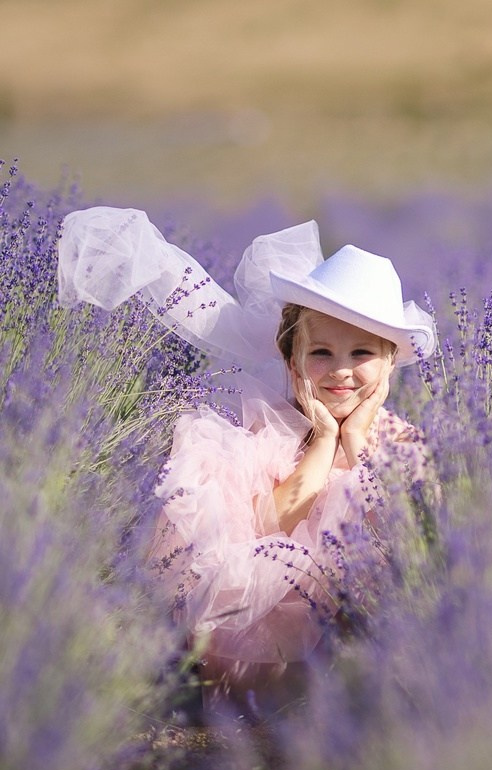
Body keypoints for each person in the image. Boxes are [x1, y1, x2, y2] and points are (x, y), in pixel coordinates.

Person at [57, 210, 436, 714]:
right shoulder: (255, 433)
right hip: (263, 660)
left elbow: (414, 540)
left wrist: (358, 442)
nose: (341, 371)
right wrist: (324, 441)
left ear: (389, 363)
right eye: (321, 352)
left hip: (362, 646)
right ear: (291, 359)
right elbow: (261, 532)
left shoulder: (399, 441)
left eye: (362, 352)